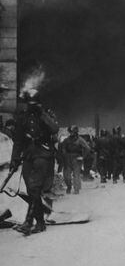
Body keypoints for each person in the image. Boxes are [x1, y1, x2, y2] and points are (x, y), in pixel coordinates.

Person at [10, 89, 59, 235]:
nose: (31, 106)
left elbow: (54, 128)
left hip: (43, 154)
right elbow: (18, 141)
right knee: (31, 189)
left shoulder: (45, 115)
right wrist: (14, 158)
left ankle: (28, 221)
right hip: (28, 156)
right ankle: (40, 222)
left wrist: (42, 113)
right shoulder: (22, 118)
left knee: (35, 187)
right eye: (29, 104)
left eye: (34, 104)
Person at [61, 125, 90, 194]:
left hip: (77, 158)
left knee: (76, 175)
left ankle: (76, 189)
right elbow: (63, 148)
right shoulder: (66, 140)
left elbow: (87, 148)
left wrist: (83, 156)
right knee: (66, 175)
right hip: (68, 158)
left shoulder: (80, 140)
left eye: (73, 132)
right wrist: (64, 155)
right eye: (70, 132)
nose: (71, 133)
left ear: (76, 132)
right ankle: (69, 186)